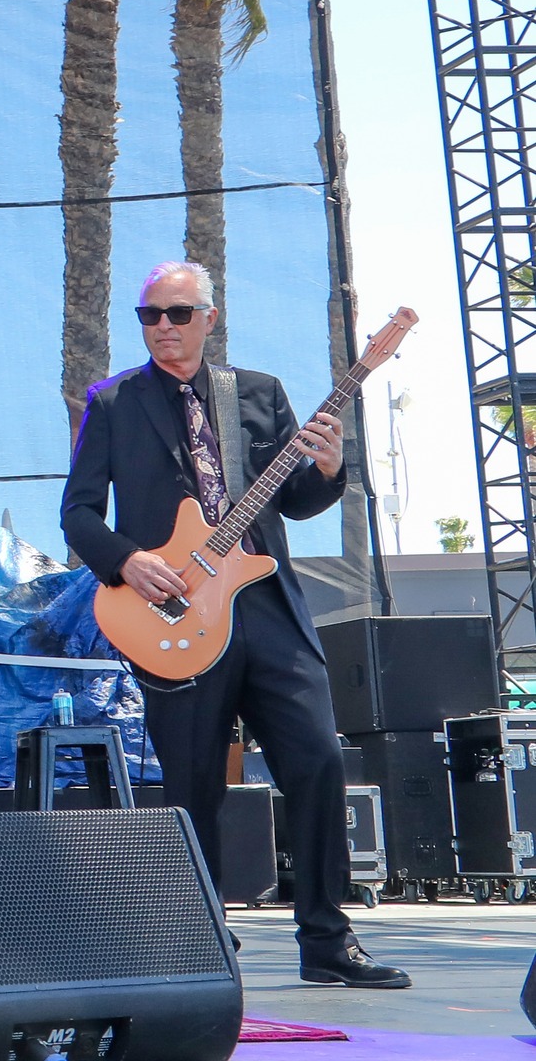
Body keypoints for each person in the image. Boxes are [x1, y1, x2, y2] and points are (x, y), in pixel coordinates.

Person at [62, 260, 407, 988]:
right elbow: (79, 512)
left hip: (267, 606)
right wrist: (127, 562)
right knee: (192, 785)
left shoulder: (259, 394)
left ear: (209, 317)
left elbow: (300, 499)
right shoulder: (115, 401)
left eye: (178, 313)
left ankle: (327, 939)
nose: (163, 327)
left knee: (317, 762)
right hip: (175, 613)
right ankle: (201, 939)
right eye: (150, 315)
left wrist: (329, 464)